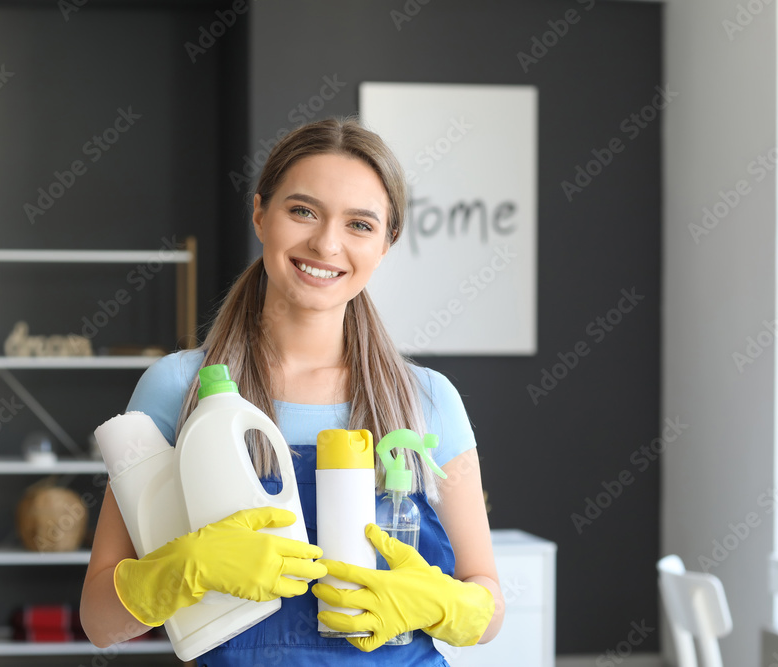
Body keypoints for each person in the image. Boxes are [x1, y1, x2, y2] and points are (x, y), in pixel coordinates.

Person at [80, 116, 504, 666]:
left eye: (360, 224)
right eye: (302, 211)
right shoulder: (177, 388)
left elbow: (488, 602)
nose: (327, 243)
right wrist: (184, 570)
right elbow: (98, 620)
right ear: (260, 214)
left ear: (386, 243)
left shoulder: (428, 400)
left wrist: (446, 604)